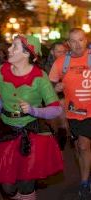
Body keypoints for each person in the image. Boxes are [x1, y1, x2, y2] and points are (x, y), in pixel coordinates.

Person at [0, 35, 64, 200]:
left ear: (27, 53)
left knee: (26, 184)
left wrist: (34, 111)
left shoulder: (39, 76)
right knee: (8, 187)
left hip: (32, 133)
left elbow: (55, 109)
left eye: (14, 47)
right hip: (8, 132)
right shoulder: (2, 71)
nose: (9, 49)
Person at [49, 28, 91, 200]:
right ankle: (86, 178)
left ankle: (84, 182)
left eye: (80, 40)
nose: (77, 44)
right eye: (73, 41)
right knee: (79, 148)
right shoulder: (61, 63)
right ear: (68, 43)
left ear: (86, 40)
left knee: (83, 146)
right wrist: (55, 88)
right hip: (74, 113)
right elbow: (48, 86)